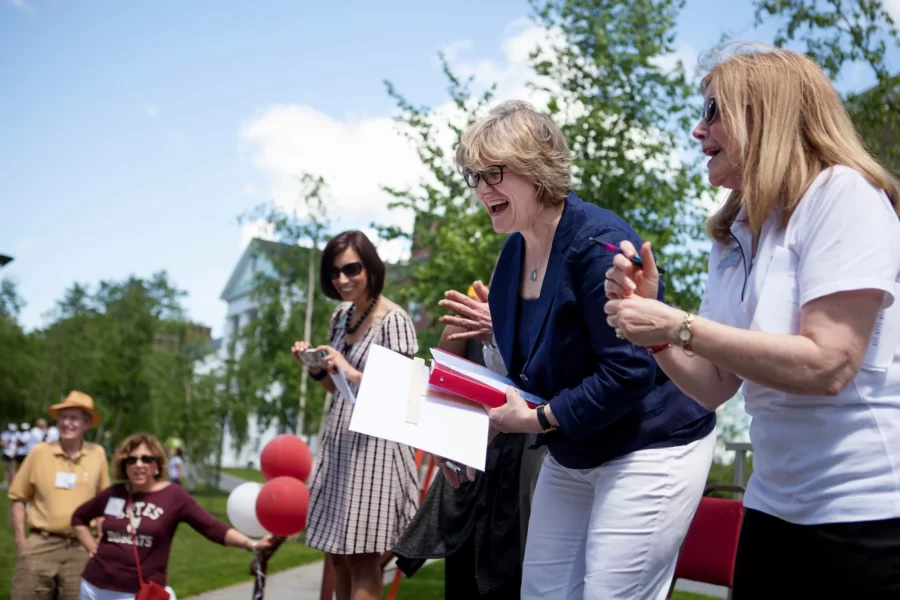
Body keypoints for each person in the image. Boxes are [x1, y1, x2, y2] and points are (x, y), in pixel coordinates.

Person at [604, 44, 900, 598]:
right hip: (772, 507)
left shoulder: (843, 195)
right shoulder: (736, 228)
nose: (698, 129)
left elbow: (829, 364)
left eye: (713, 110)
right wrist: (659, 340)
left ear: (768, 114)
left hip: (864, 516)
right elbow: (715, 386)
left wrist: (678, 324)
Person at [453, 99, 716, 600]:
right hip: (575, 449)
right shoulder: (511, 256)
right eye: (475, 176)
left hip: (650, 444)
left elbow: (628, 373)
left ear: (536, 167)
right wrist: (464, 437)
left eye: (494, 173)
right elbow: (523, 376)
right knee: (542, 593)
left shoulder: (600, 243)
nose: (483, 189)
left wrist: (534, 421)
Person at [393, 278, 547, 599]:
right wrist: (454, 336)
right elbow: (445, 381)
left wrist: (505, 331)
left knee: (512, 578)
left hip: (524, 473)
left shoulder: (550, 317)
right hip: (471, 470)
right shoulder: (477, 313)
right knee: (463, 576)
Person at [290, 229, 420, 600]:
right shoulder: (341, 316)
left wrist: (349, 369)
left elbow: (403, 393)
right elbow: (340, 391)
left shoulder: (393, 319)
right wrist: (317, 369)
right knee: (338, 556)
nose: (343, 279)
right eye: (334, 272)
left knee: (363, 559)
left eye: (351, 269)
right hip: (341, 444)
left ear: (371, 267)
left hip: (375, 449)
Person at [71, 433, 273, 600]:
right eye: (132, 459)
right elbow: (79, 518)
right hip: (93, 588)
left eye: (146, 459)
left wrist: (251, 544)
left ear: (157, 464)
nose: (139, 464)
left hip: (139, 593)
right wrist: (92, 548)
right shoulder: (114, 492)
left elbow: (211, 527)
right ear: (124, 465)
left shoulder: (174, 496)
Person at [8, 391, 111, 600]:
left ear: (86, 424)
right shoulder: (40, 452)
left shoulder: (97, 454)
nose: (66, 423)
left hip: (80, 549)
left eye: (74, 418)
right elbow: (18, 497)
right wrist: (21, 541)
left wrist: (99, 540)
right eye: (63, 417)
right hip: (41, 544)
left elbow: (104, 502)